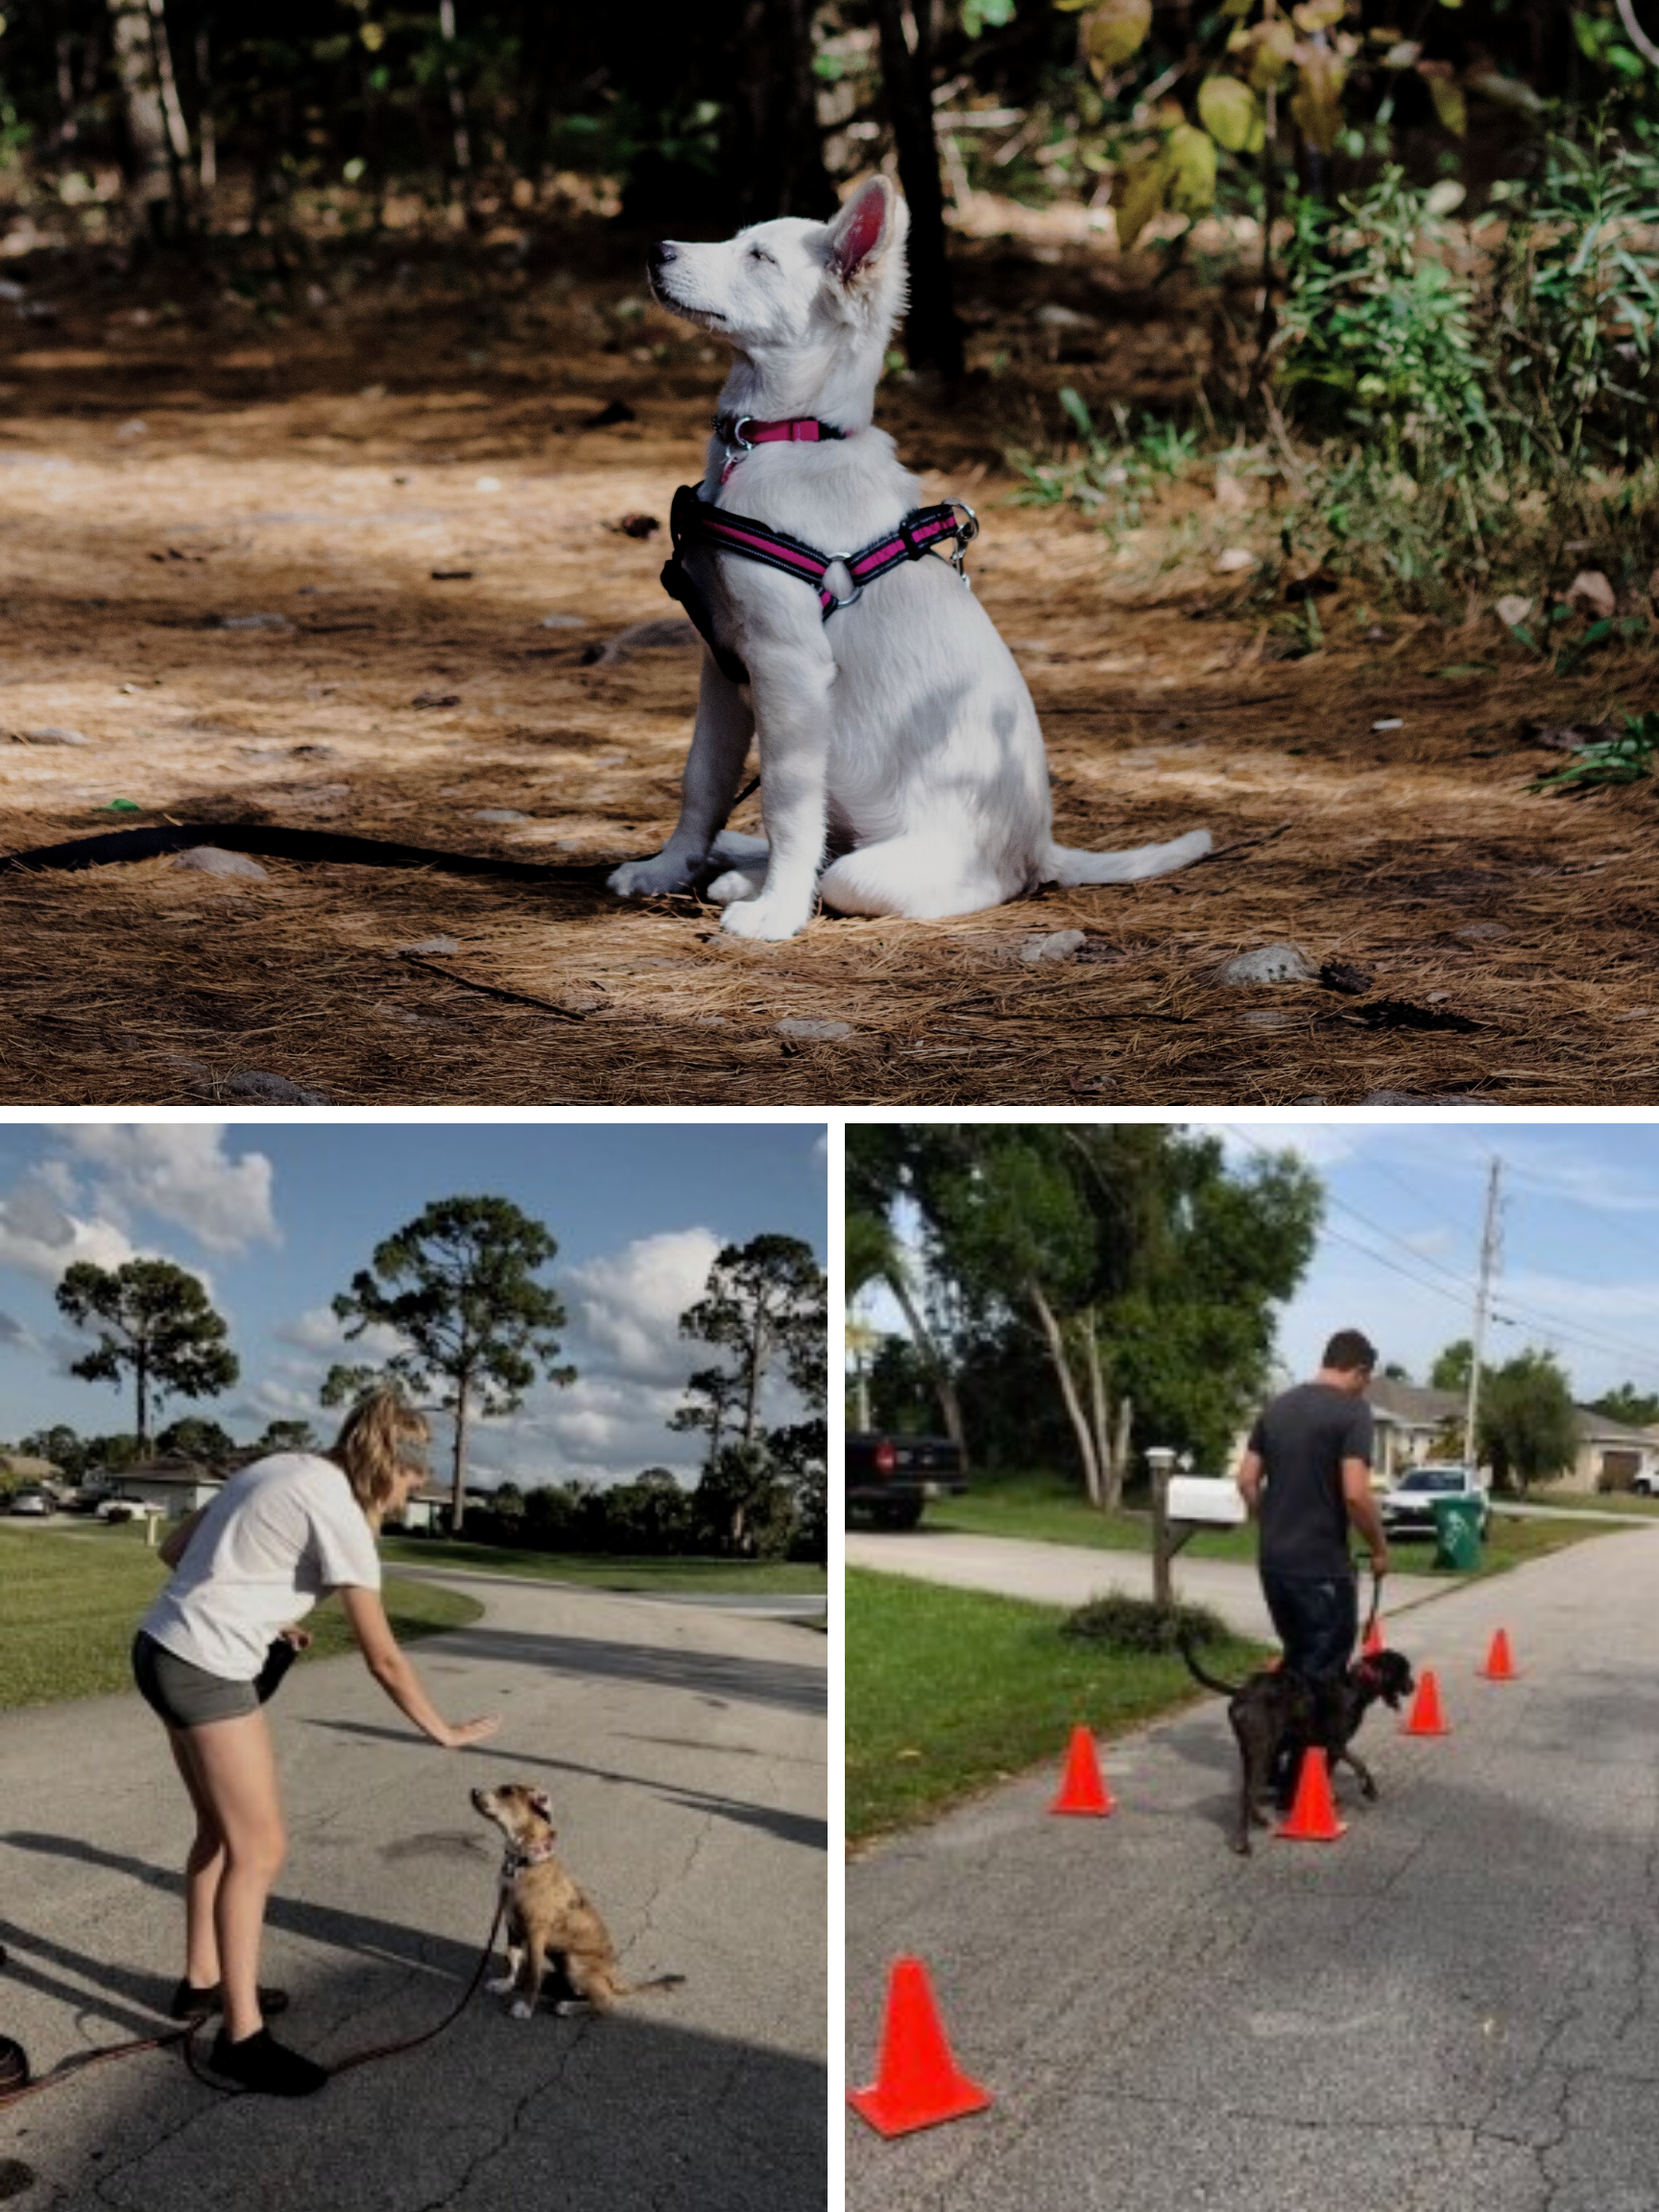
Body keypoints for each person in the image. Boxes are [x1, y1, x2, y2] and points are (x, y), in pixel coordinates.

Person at [131, 1390, 501, 2098]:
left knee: (218, 1829)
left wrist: (261, 1616)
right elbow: (384, 1657)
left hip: (159, 1647)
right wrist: (443, 1730)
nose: (413, 1492)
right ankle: (241, 2040)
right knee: (260, 1848)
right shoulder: (340, 1512)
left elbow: (178, 1551)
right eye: (414, 1478)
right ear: (388, 1462)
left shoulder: (279, 1465)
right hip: (205, 1669)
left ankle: (201, 1983)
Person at [1235, 1329, 1390, 1801]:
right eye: (1367, 1379)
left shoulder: (1277, 1407)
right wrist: (1380, 1548)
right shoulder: (1351, 1411)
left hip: (1274, 1563)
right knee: (1321, 1677)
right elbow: (1356, 1493)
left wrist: (1274, 1523)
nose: (1365, 1388)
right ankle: (1300, 1785)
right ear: (1359, 1371)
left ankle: (1276, 1765)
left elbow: (1246, 1480)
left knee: (1296, 1665)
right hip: (1321, 1567)